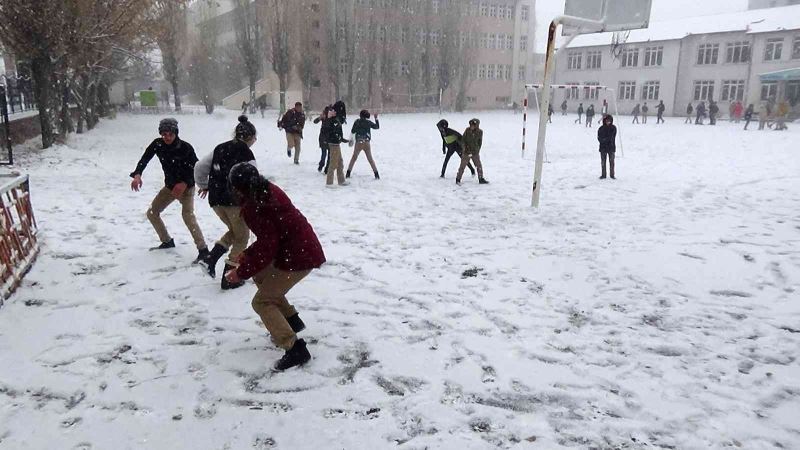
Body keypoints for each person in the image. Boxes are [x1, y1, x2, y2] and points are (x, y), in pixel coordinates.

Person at [224, 162, 326, 371]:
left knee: (262, 302)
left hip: (298, 257)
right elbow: (270, 239)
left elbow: (268, 246)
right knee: (261, 275)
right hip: (298, 250)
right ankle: (291, 321)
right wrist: (249, 254)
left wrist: (240, 273)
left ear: (238, 188)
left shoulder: (256, 204)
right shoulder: (265, 190)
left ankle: (294, 348)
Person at [129, 118, 208, 262]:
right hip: (169, 187)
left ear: (176, 133)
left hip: (186, 188)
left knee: (187, 216)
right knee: (152, 213)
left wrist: (184, 183)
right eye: (164, 134)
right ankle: (167, 241)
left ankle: (203, 250)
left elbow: (196, 169)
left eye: (170, 134)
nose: (167, 137)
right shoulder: (157, 144)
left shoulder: (185, 148)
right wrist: (137, 174)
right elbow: (144, 159)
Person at [194, 115, 258, 289]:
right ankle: (229, 277)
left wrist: (204, 185)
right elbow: (253, 179)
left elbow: (200, 167)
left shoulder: (220, 148)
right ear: (250, 138)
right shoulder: (246, 153)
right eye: (254, 138)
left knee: (235, 231)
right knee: (242, 236)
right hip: (235, 202)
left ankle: (210, 259)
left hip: (216, 200)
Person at [346, 110, 381, 179]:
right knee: (370, 159)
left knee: (354, 158)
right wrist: (376, 118)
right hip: (367, 142)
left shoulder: (357, 121)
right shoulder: (368, 122)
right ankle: (376, 174)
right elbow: (377, 127)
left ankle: (348, 173)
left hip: (359, 142)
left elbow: (353, 131)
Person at [322, 104, 349, 186]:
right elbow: (329, 131)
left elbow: (338, 132)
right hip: (333, 144)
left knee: (340, 162)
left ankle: (341, 180)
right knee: (333, 163)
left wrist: (343, 139)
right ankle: (329, 182)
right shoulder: (331, 120)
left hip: (336, 143)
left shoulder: (336, 119)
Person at [456, 118, 489, 185]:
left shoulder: (480, 132)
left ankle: (481, 178)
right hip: (466, 152)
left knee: (479, 165)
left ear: (476, 125)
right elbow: (463, 140)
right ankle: (458, 179)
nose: (472, 126)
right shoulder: (467, 130)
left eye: (473, 125)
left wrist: (477, 150)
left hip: (475, 153)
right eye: (471, 125)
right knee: (462, 166)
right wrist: (464, 148)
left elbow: (480, 143)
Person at [313, 106, 332, 174]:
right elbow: (315, 121)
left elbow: (315, 121)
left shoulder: (327, 118)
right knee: (327, 154)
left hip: (325, 137)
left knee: (325, 153)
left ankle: (323, 166)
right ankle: (325, 167)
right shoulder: (328, 118)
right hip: (327, 137)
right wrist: (320, 117)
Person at [597, 114, 617, 180]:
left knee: (611, 162)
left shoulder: (613, 128)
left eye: (609, 121)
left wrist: (605, 140)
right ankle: (603, 175)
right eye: (607, 121)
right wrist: (602, 140)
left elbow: (612, 137)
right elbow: (599, 137)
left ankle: (612, 175)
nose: (608, 122)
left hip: (611, 148)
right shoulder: (601, 128)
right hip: (603, 148)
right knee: (603, 162)